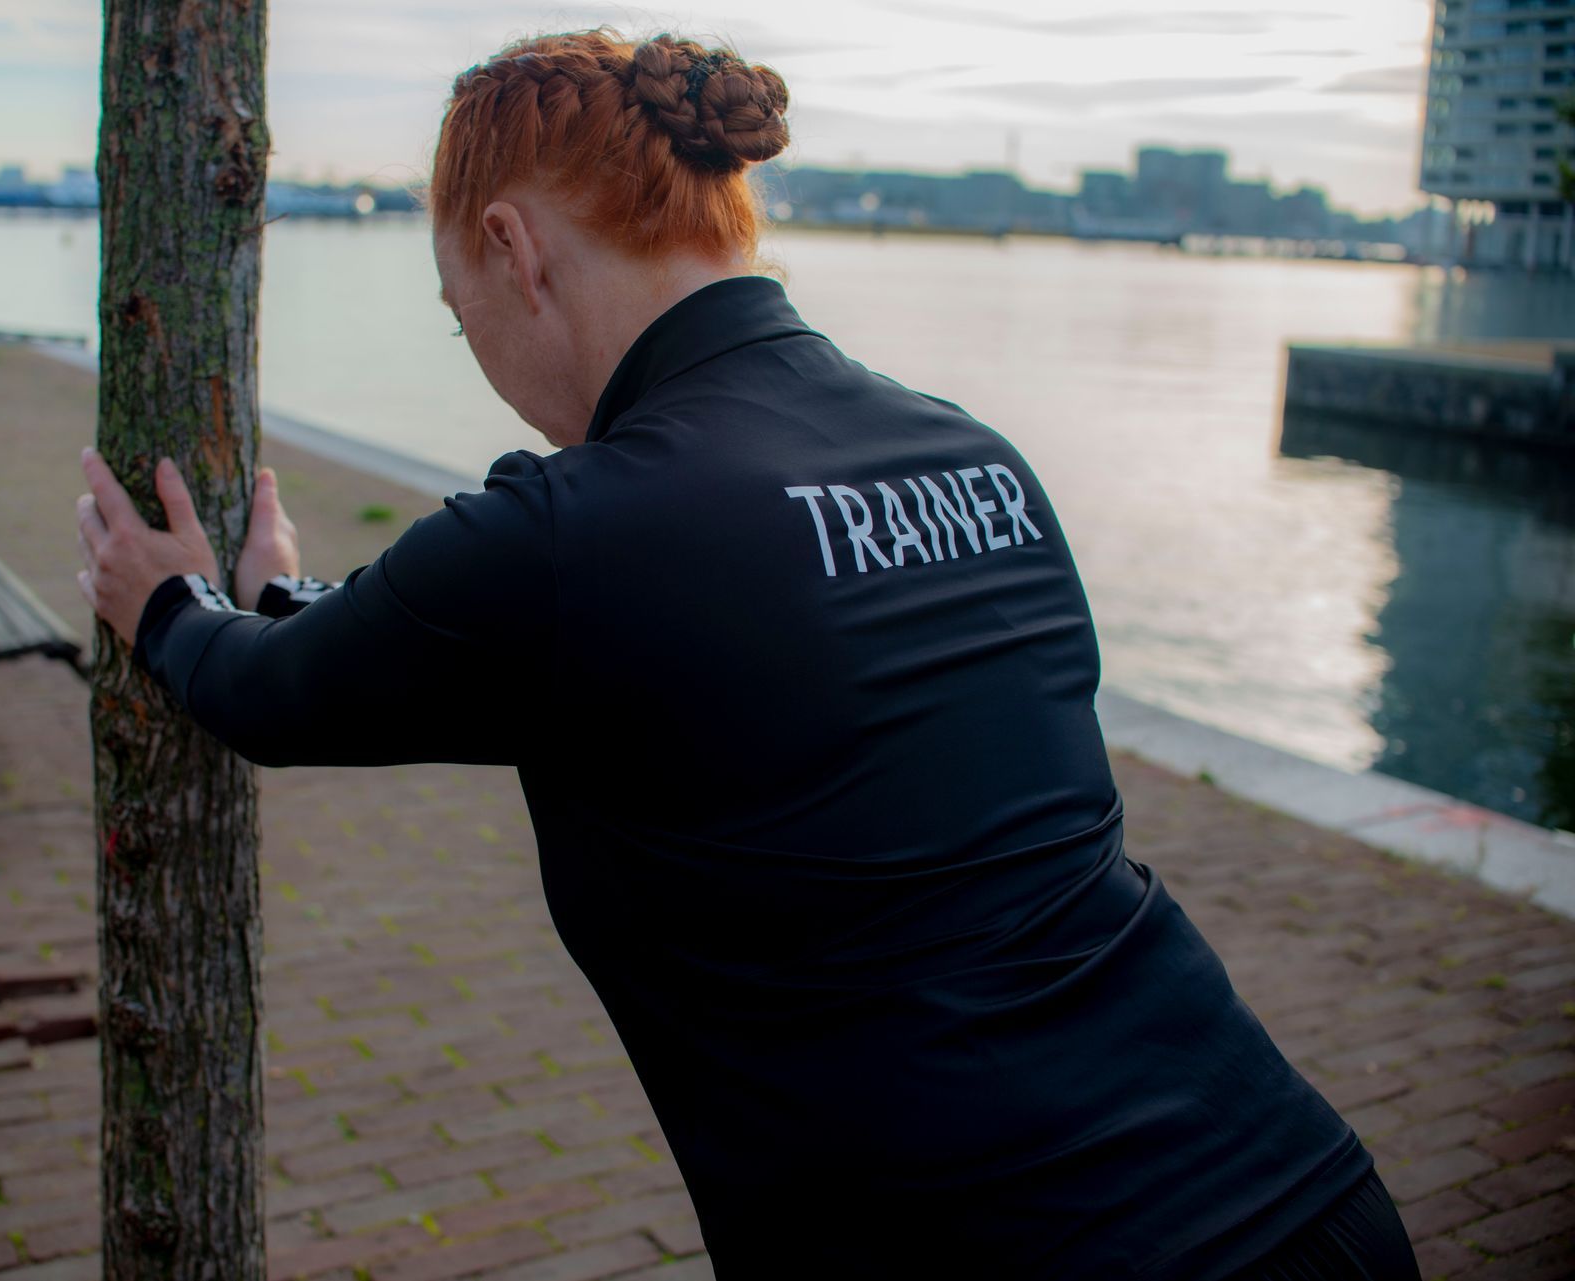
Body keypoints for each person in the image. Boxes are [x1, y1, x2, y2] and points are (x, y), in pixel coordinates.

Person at [75, 29, 1421, 1280]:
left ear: (513, 248)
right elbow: (714, 650)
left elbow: (267, 696)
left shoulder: (572, 536)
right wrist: (298, 594)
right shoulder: (971, 454)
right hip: (1307, 1198)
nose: (473, 343)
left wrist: (167, 603)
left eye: (456, 306)